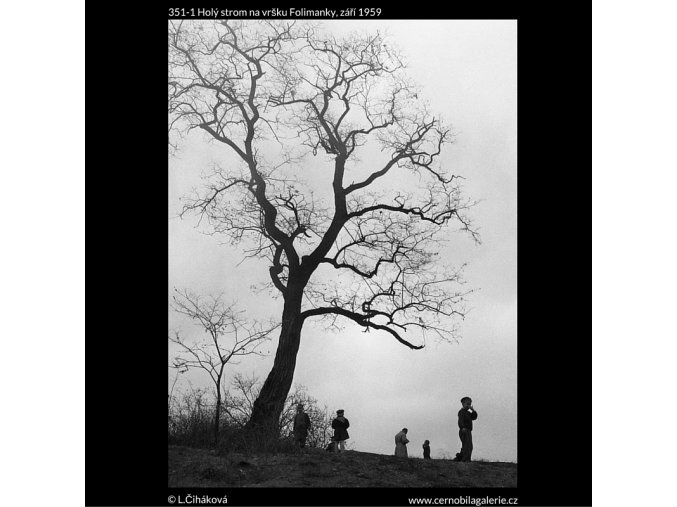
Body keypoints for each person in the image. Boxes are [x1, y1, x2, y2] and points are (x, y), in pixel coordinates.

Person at [454, 396, 478, 462]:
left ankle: (460, 457)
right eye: (467, 404)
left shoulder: (468, 413)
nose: (468, 406)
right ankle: (465, 459)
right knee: (468, 445)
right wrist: (463, 427)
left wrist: (473, 410)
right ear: (463, 404)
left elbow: (474, 417)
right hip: (464, 430)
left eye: (470, 404)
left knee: (467, 445)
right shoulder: (461, 412)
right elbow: (460, 420)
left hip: (468, 431)